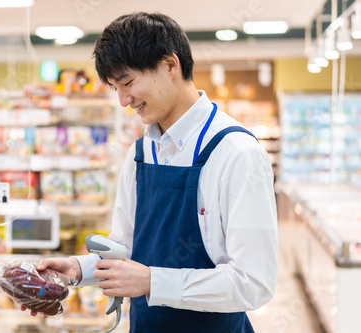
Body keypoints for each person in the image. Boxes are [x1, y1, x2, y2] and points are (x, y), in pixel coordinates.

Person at [29, 12, 278, 332]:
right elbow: (123, 251)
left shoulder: (236, 154)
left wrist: (152, 281)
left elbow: (253, 283)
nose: (123, 100)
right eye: (115, 88)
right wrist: (77, 269)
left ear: (170, 66)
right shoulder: (139, 153)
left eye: (129, 82)